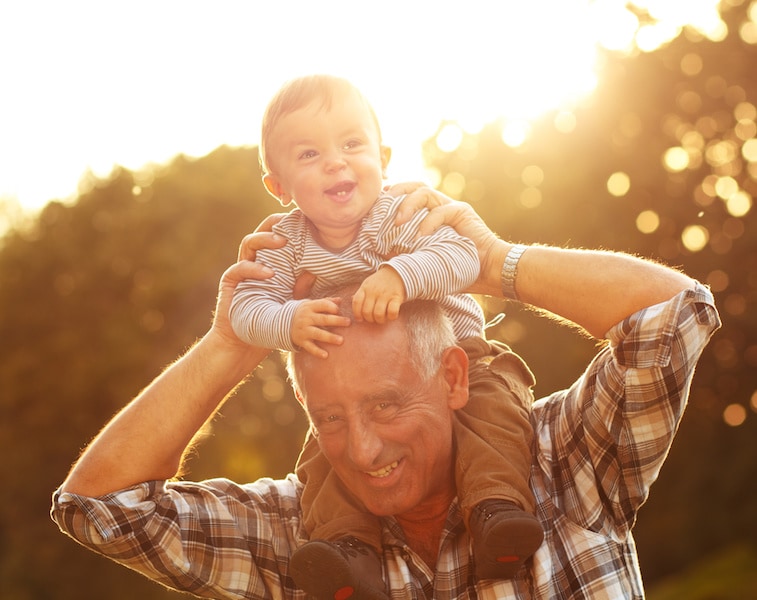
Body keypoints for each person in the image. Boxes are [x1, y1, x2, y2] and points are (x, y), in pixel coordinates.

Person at [51, 187, 721, 599]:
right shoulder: (301, 539)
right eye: (330, 418)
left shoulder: (564, 462)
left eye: (386, 404)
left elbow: (673, 317)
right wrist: (232, 343)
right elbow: (100, 507)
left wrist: (495, 265)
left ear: (455, 377)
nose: (363, 449)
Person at [228, 74, 542, 597]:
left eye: (352, 144)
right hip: (357, 385)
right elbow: (246, 307)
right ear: (278, 186)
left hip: (457, 353)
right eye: (309, 154)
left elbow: (465, 256)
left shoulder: (398, 213)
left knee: (494, 415)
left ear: (384, 157)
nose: (335, 162)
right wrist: (288, 319)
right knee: (330, 457)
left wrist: (401, 275)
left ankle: (495, 508)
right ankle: (348, 551)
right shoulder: (284, 242)